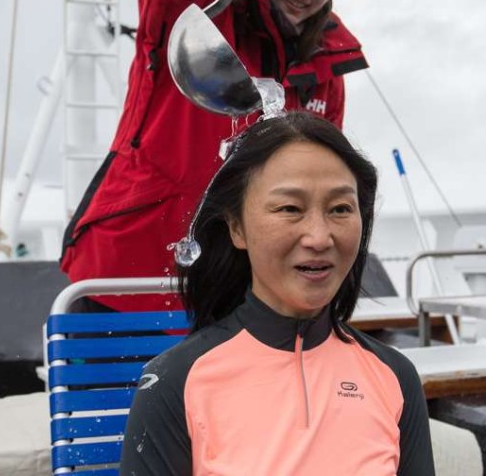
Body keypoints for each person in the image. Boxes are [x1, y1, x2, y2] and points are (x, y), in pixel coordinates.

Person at [61, 0, 369, 311]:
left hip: (242, 291)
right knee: (119, 395)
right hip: (124, 280)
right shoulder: (197, 8)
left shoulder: (326, 65)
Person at [119, 111, 435, 476]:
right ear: (236, 227)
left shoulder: (395, 377)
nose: (319, 237)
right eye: (290, 208)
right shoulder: (174, 382)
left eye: (340, 209)